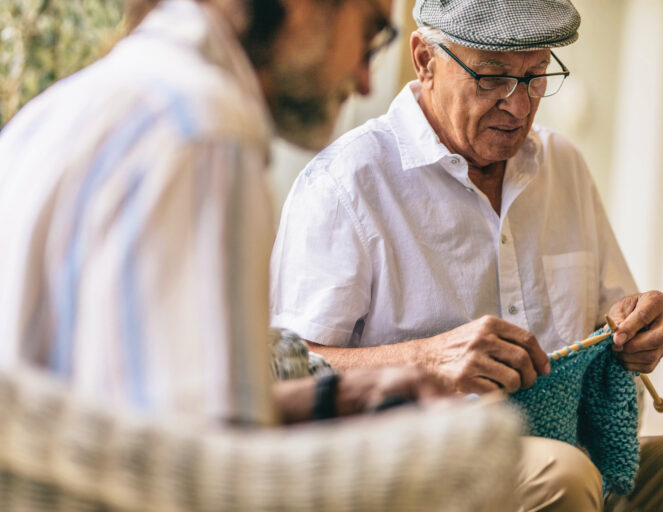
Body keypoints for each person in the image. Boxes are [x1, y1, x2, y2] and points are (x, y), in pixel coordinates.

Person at [270, 0, 663, 509]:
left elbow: (612, 320)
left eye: (536, 75)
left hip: (575, 456)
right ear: (424, 59)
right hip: (415, 473)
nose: (520, 104)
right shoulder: (345, 183)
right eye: (492, 77)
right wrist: (427, 359)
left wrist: (637, 331)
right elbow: (290, 372)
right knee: (562, 475)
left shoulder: (564, 165)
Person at [0, 0, 445, 428]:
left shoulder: (63, 108)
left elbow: (145, 414)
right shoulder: (204, 130)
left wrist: (342, 396)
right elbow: (200, 459)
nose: (366, 81)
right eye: (372, 34)